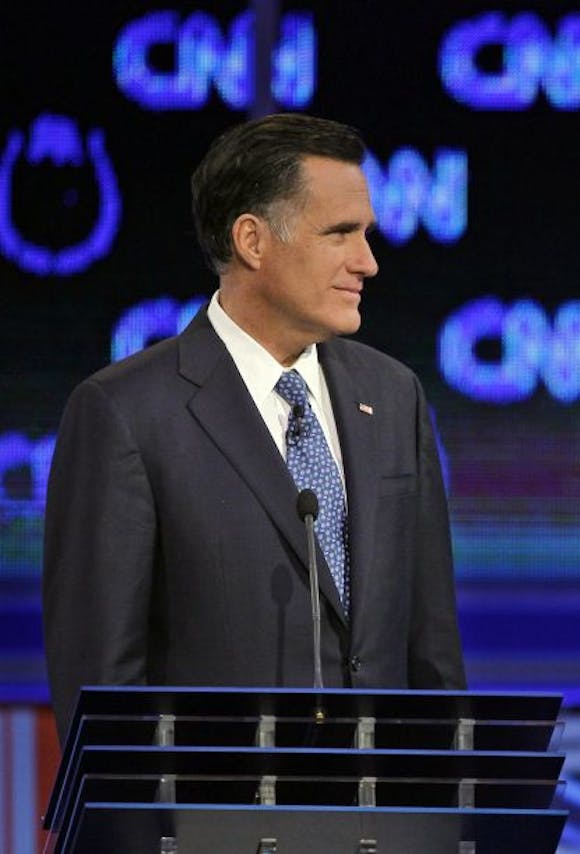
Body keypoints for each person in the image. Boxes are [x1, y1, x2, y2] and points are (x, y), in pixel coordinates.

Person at [42, 114, 466, 737]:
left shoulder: (393, 395)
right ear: (253, 241)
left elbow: (432, 656)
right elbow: (101, 689)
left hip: (378, 820)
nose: (368, 262)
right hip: (213, 822)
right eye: (340, 233)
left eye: (366, 234)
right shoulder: (126, 414)